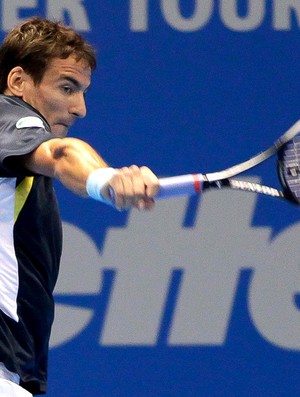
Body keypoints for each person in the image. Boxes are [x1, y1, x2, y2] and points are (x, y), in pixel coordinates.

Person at [0, 17, 159, 396]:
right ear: (18, 81)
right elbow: (61, 153)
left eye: (83, 92)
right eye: (67, 87)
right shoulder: (7, 115)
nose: (80, 108)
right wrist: (106, 179)